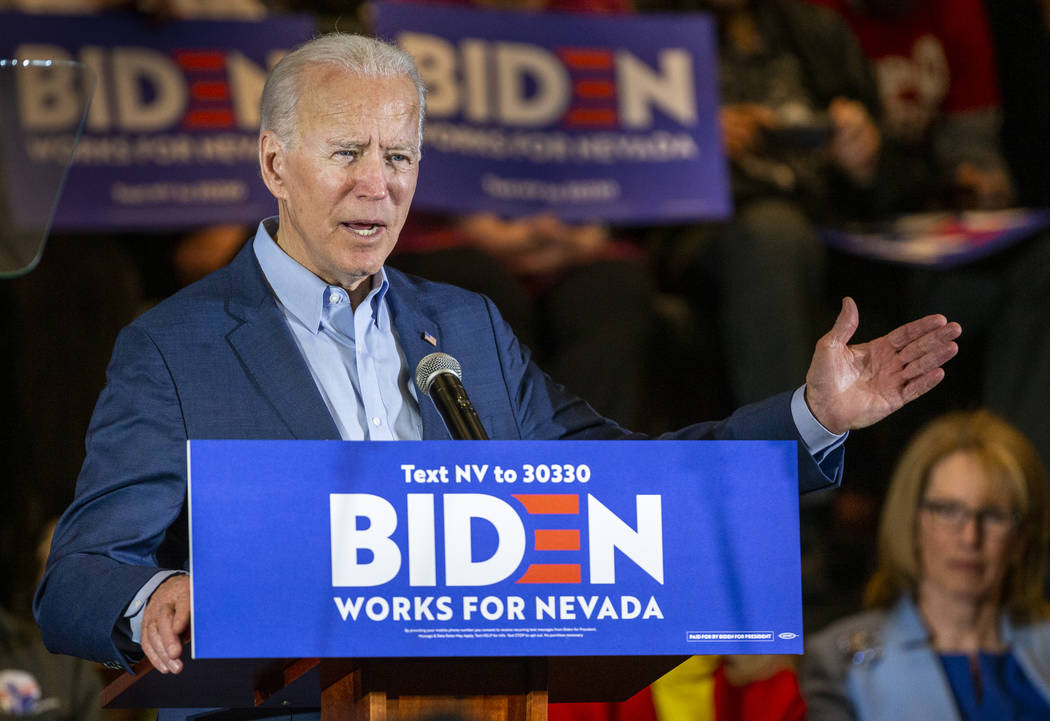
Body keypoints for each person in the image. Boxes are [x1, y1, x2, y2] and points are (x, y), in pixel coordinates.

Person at [32, 32, 960, 719]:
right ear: (275, 161)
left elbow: (629, 485)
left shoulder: (464, 328)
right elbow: (75, 575)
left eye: (398, 157)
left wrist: (810, 416)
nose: (376, 184)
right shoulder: (174, 345)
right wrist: (149, 597)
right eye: (346, 152)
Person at [801, 410, 1050, 720]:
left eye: (994, 516)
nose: (970, 537)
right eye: (947, 510)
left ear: (1023, 537)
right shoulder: (839, 662)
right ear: (912, 523)